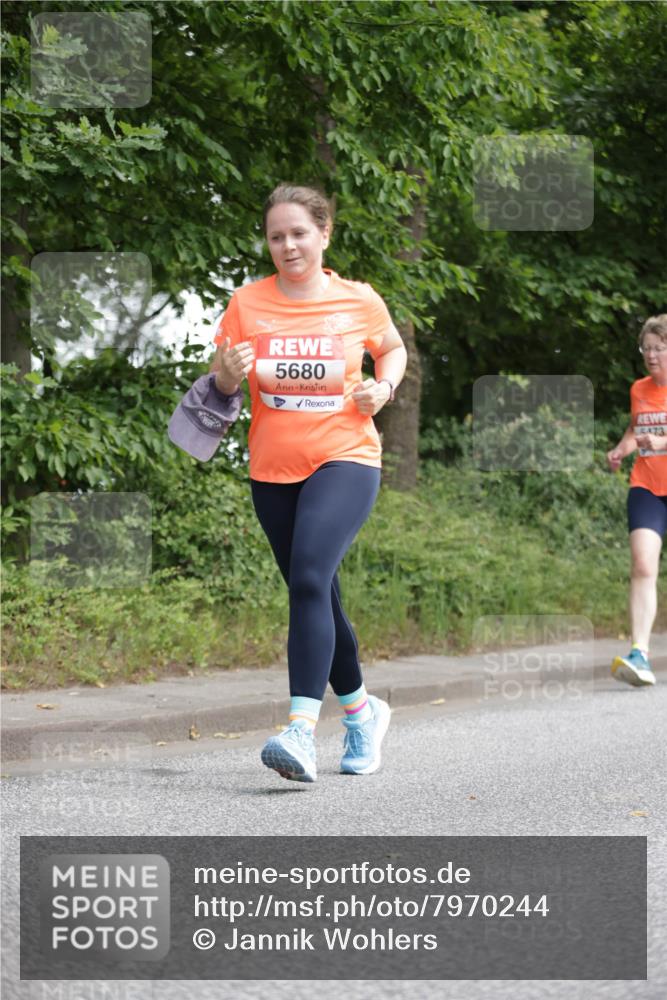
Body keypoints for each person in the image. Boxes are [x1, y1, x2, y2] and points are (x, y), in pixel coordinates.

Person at [209, 183, 407, 782]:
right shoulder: (247, 304)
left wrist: (383, 387)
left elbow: (392, 348)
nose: (288, 245)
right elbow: (219, 386)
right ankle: (362, 712)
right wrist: (225, 371)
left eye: (299, 232)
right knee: (316, 593)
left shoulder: (358, 300)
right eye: (276, 236)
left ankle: (299, 730)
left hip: (346, 457)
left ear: (324, 234)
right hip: (271, 469)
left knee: (309, 576)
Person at [607, 314, 667, 686]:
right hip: (647, 486)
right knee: (643, 565)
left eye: (659, 348)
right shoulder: (639, 389)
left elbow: (658, 438)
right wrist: (621, 449)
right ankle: (639, 654)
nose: (651, 355)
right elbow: (636, 429)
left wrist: (663, 443)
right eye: (646, 348)